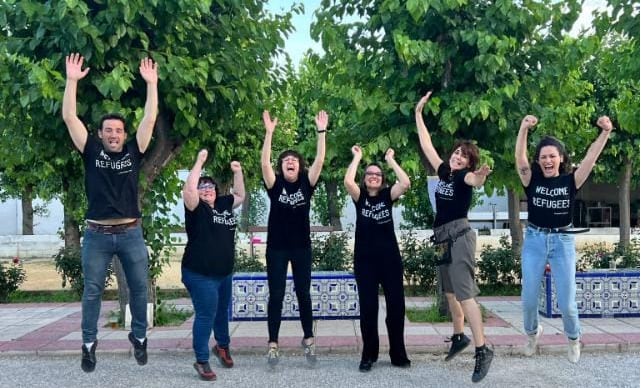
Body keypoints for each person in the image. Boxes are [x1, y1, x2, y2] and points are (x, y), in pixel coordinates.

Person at [62, 53, 158, 372]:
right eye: (108, 130)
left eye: (118, 130)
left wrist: (152, 85)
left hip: (130, 233)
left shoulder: (134, 151)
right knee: (91, 291)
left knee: (140, 288)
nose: (114, 134)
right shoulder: (91, 151)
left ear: (124, 135)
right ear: (100, 134)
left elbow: (149, 119)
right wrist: (72, 81)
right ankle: (88, 345)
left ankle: (139, 337)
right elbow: (69, 118)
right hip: (97, 235)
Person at [515, 114, 613, 363]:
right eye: (543, 156)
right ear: (539, 161)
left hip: (563, 242)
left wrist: (605, 132)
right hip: (535, 240)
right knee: (527, 298)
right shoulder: (532, 180)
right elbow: (520, 160)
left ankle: (573, 338)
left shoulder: (571, 180)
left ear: (561, 158)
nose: (548, 160)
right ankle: (532, 333)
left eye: (552, 156)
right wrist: (524, 129)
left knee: (568, 303)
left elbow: (591, 158)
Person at [415, 91, 494, 383]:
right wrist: (418, 114)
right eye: (456, 152)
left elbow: (477, 179)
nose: (457, 156)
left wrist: (482, 174)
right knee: (449, 293)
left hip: (460, 235)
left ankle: (482, 349)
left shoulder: (463, 178)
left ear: (468, 163)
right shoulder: (445, 172)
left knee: (465, 292)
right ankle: (459, 336)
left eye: (463, 155)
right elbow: (426, 144)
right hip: (441, 238)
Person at [260, 109, 327, 367]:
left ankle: (309, 339)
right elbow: (264, 164)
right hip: (276, 248)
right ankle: (273, 344)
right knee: (276, 294)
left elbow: (320, 160)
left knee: (303, 293)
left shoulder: (305, 185)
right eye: (286, 159)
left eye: (294, 160)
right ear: (282, 166)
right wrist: (269, 133)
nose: (290, 161)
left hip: (301, 248)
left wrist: (321, 132)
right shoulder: (275, 184)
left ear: (300, 166)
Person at [344, 145, 412, 372]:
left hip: (390, 261)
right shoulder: (359, 197)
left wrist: (391, 160)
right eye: (369, 174)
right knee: (368, 309)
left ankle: (398, 353)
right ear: (365, 179)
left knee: (396, 308)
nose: (373, 176)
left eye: (377, 174)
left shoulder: (387, 195)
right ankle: (368, 354)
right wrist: (357, 158)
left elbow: (405, 183)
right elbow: (348, 182)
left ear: (382, 179)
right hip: (365, 263)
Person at [181, 149, 245, 381]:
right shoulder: (196, 208)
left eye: (210, 187)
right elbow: (188, 190)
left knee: (221, 313)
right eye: (202, 187)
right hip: (199, 273)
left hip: (224, 273)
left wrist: (237, 172)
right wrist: (199, 161)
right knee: (206, 314)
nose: (206, 189)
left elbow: (240, 194)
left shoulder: (224, 204)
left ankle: (222, 346)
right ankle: (201, 360)